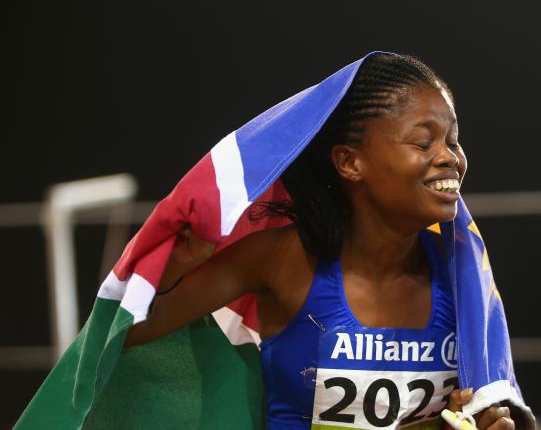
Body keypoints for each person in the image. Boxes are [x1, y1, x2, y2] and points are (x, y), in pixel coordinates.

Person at [122, 53, 518, 430]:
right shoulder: (281, 260)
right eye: (423, 142)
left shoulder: (464, 277)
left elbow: (499, 405)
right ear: (349, 162)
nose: (449, 156)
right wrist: (178, 262)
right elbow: (122, 335)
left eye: (452, 140)